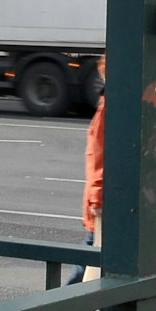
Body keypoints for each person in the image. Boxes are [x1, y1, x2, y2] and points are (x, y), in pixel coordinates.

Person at [67, 55, 106, 286]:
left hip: (102, 203)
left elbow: (98, 157)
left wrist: (96, 201)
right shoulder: (112, 107)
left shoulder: (107, 107)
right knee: (88, 263)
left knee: (88, 261)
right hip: (104, 203)